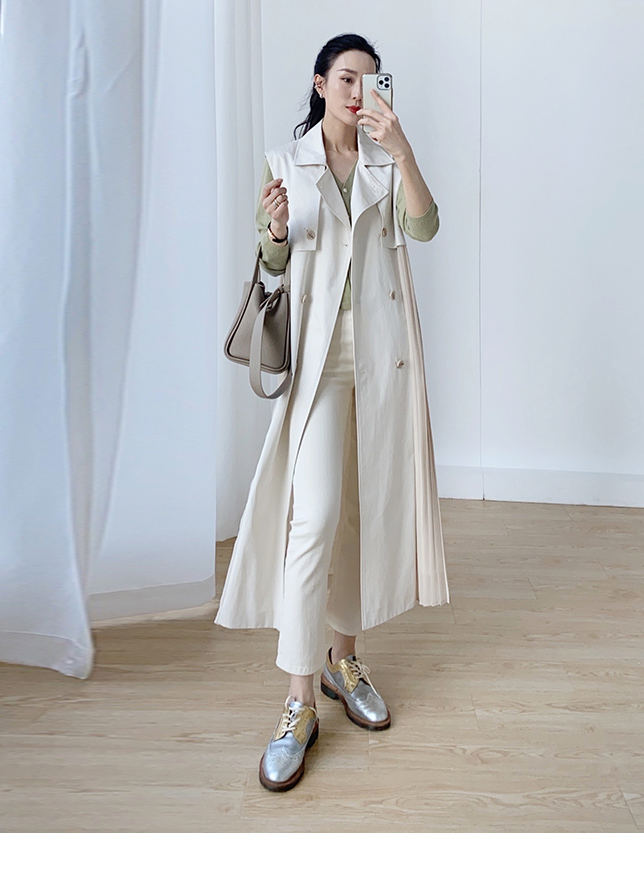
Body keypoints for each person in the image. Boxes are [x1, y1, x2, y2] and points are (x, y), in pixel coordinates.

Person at [215, 33, 445, 792]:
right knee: (312, 519)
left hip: (381, 361)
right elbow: (272, 266)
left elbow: (424, 227)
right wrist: (277, 233)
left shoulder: (384, 159)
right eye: (346, 77)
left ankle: (344, 662)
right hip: (319, 363)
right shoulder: (285, 163)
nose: (357, 90)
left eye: (369, 79)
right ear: (320, 84)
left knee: (355, 517)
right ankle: (298, 701)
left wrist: (402, 149)